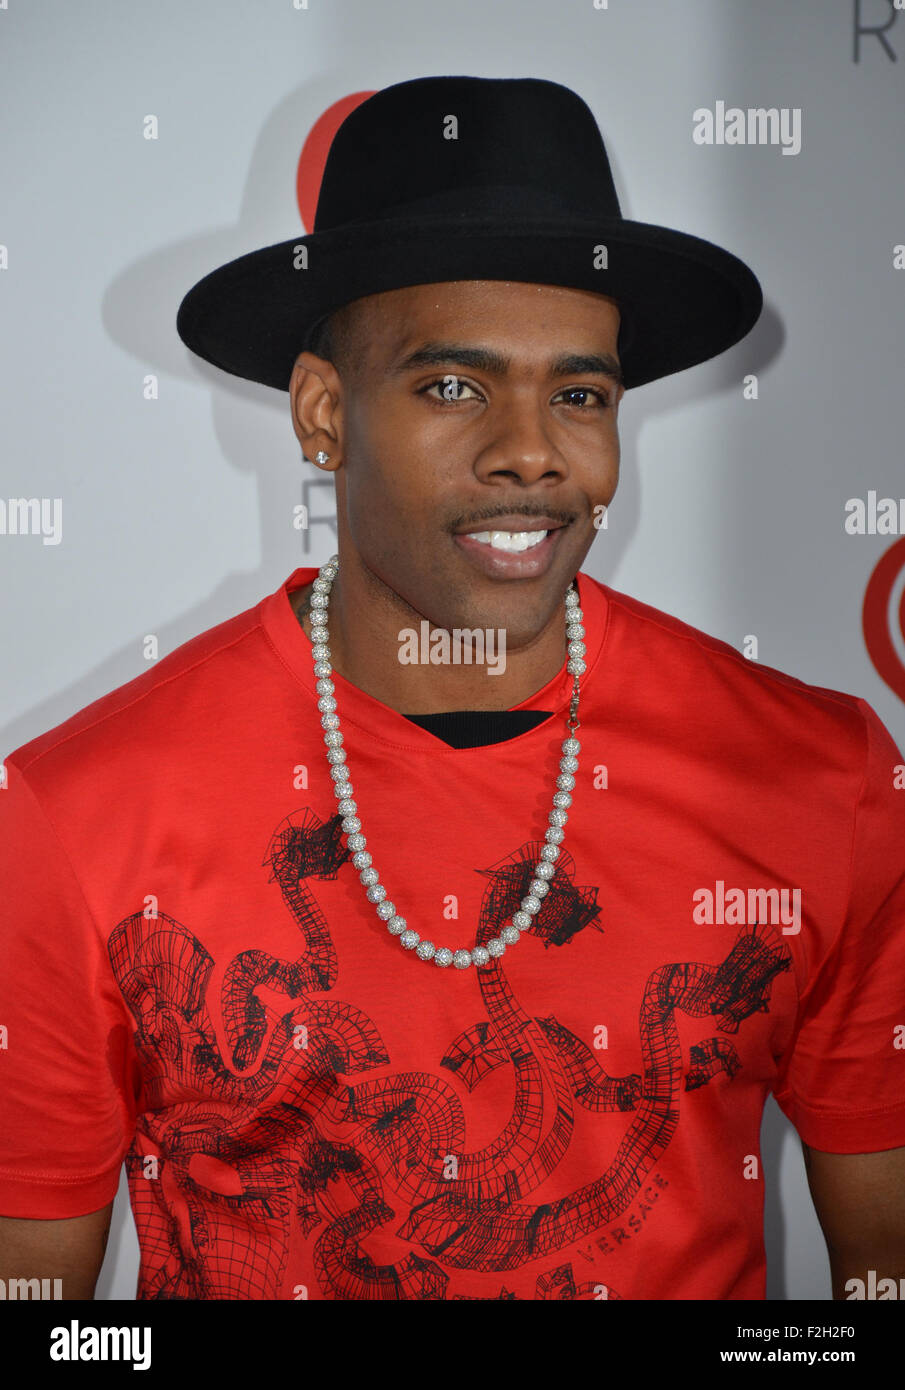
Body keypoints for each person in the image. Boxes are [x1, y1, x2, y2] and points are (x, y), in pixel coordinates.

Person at [1, 74, 903, 1303]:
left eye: (578, 393)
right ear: (324, 415)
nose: (531, 449)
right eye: (451, 387)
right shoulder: (73, 815)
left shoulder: (823, 777)